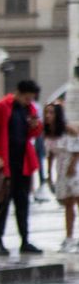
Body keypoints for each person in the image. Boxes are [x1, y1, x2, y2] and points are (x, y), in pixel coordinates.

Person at [0, 79, 43, 255]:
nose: (29, 102)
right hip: (6, 162)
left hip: (23, 162)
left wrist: (35, 126)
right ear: (18, 93)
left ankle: (24, 240)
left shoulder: (30, 109)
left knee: (23, 202)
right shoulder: (1, 106)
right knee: (3, 202)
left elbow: (34, 132)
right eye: (27, 98)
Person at [51, 105, 79, 251]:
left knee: (76, 201)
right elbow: (50, 154)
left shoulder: (69, 129)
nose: (48, 116)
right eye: (46, 113)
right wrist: (49, 175)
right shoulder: (50, 133)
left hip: (73, 170)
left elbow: (77, 149)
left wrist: (72, 166)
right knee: (67, 203)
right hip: (61, 170)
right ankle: (69, 237)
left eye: (51, 113)